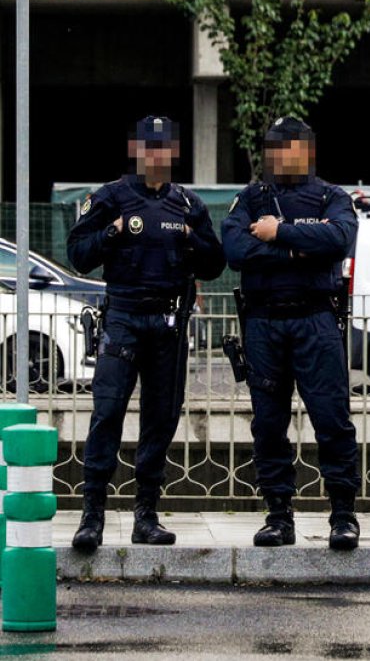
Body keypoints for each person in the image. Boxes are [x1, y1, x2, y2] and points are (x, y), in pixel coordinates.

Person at [67, 116, 226, 552]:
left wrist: (194, 238)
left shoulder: (187, 204)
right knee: (107, 413)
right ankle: (92, 515)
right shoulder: (111, 197)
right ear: (136, 150)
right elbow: (78, 254)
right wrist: (112, 231)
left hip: (169, 327)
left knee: (161, 419)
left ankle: (146, 516)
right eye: (149, 147)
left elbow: (215, 264)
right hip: (123, 319)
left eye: (164, 147)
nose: (156, 155)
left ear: (173, 153)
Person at [221, 116, 361, 551]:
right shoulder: (250, 198)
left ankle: (343, 516)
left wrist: (277, 233)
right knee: (267, 425)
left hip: (316, 321)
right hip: (264, 324)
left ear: (308, 150)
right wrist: (303, 248)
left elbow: (339, 239)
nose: (282, 155)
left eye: (291, 147)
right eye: (275, 148)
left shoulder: (331, 197)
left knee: (332, 420)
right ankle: (278, 516)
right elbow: (235, 249)